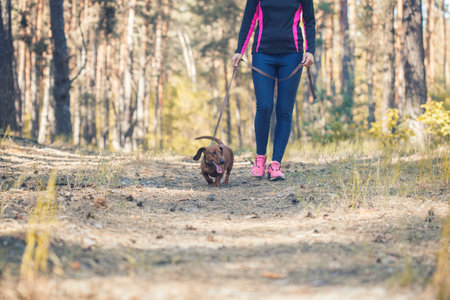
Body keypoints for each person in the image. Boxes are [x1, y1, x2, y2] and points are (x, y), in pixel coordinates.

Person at [231, 0, 316, 181]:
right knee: (265, 105)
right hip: (263, 53)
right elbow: (249, 19)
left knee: (284, 110)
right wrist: (240, 50)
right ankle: (260, 159)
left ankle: (276, 164)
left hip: (292, 54)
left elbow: (309, 21)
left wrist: (310, 50)